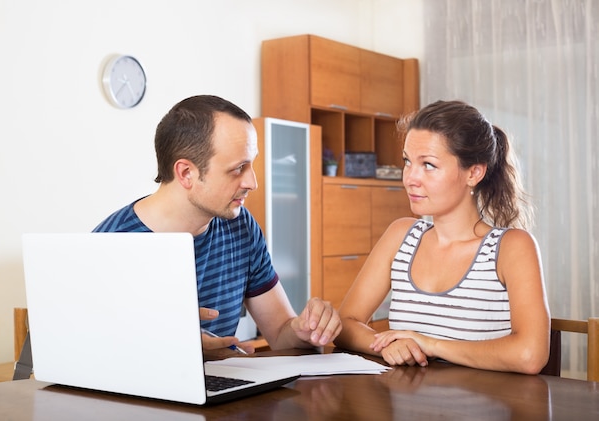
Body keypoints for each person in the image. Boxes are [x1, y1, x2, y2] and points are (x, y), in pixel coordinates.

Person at [93, 94, 341, 354]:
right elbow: (93, 356)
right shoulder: (111, 245)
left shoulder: (241, 225)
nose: (252, 183)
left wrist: (304, 329)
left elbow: (280, 332)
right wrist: (175, 350)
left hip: (226, 387)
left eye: (251, 164)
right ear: (186, 173)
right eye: (238, 168)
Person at [334, 100, 550, 375]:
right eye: (408, 162)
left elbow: (530, 355)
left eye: (429, 165)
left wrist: (430, 345)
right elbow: (346, 324)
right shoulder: (401, 236)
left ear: (474, 172)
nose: (410, 178)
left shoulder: (512, 247)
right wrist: (387, 345)